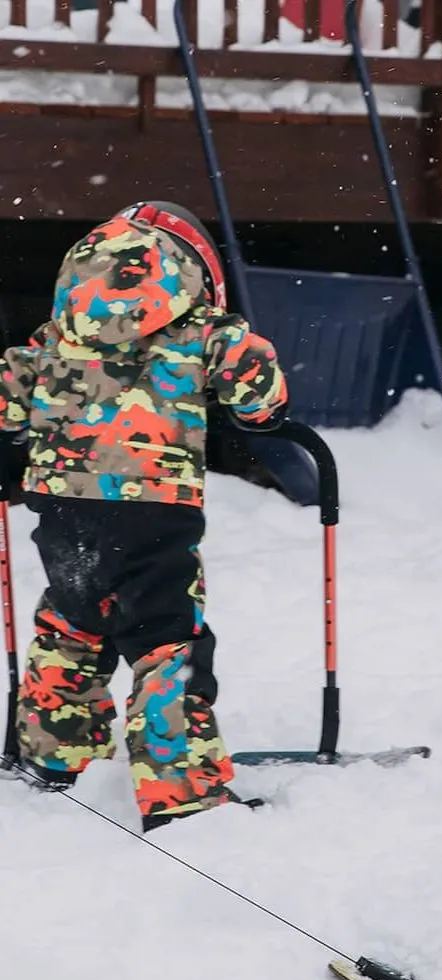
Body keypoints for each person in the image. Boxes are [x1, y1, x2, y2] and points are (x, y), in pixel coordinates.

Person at [0, 202, 288, 832]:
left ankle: (49, 757)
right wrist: (259, 415)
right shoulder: (205, 329)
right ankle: (181, 793)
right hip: (152, 510)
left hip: (62, 503)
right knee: (167, 639)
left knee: (73, 619)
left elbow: (10, 391)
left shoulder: (58, 337)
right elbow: (256, 382)